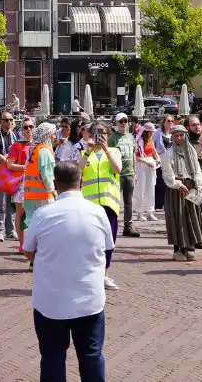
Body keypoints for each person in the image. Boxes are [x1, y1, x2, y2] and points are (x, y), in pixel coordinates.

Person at [23, 161, 112, 382]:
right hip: (89, 299)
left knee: (52, 356)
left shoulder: (43, 214)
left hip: (51, 301)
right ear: (81, 182)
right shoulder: (98, 212)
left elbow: (28, 251)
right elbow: (107, 249)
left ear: (55, 183)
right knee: (91, 356)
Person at [79, 122, 123, 289]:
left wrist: (106, 150)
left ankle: (104, 275)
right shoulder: (85, 153)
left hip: (109, 204)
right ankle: (90, 274)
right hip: (89, 206)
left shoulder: (114, 151)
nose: (101, 136)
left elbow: (118, 169)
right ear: (90, 134)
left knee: (108, 242)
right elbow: (77, 171)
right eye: (97, 132)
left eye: (104, 133)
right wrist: (88, 152)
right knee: (89, 242)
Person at [161, 124, 202, 261]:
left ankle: (188, 247)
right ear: (172, 137)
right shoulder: (169, 153)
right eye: (176, 135)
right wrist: (177, 185)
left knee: (190, 217)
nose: (179, 138)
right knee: (177, 218)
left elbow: (197, 168)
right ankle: (178, 250)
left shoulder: (190, 150)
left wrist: (198, 182)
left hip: (190, 185)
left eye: (181, 135)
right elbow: (167, 173)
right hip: (176, 188)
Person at [0, 112, 19, 241]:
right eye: (6, 120)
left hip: (12, 172)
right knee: (0, 202)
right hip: (1, 172)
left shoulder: (16, 136)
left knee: (11, 202)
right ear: (0, 121)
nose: (9, 122)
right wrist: (9, 163)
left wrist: (13, 165)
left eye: (11, 120)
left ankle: (10, 230)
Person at [7, 119, 36, 251]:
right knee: (20, 212)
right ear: (22, 129)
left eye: (31, 126)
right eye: (26, 127)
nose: (28, 129)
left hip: (36, 182)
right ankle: (22, 244)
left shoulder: (38, 145)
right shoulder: (17, 145)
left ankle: (32, 243)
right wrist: (25, 167)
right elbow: (9, 164)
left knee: (35, 213)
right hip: (21, 182)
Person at [110, 113, 139, 237]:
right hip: (117, 174)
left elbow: (133, 155)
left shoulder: (131, 137)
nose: (123, 123)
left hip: (129, 173)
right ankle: (113, 225)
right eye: (120, 121)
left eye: (125, 121)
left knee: (129, 201)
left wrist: (134, 171)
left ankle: (128, 226)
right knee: (115, 201)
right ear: (116, 123)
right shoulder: (112, 138)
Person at [133, 123, 159, 222]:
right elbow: (136, 156)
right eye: (151, 132)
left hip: (150, 163)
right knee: (141, 188)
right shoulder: (139, 141)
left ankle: (150, 211)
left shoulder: (150, 140)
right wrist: (146, 162)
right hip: (141, 164)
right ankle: (140, 212)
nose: (152, 133)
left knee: (151, 188)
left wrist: (158, 158)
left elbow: (154, 151)